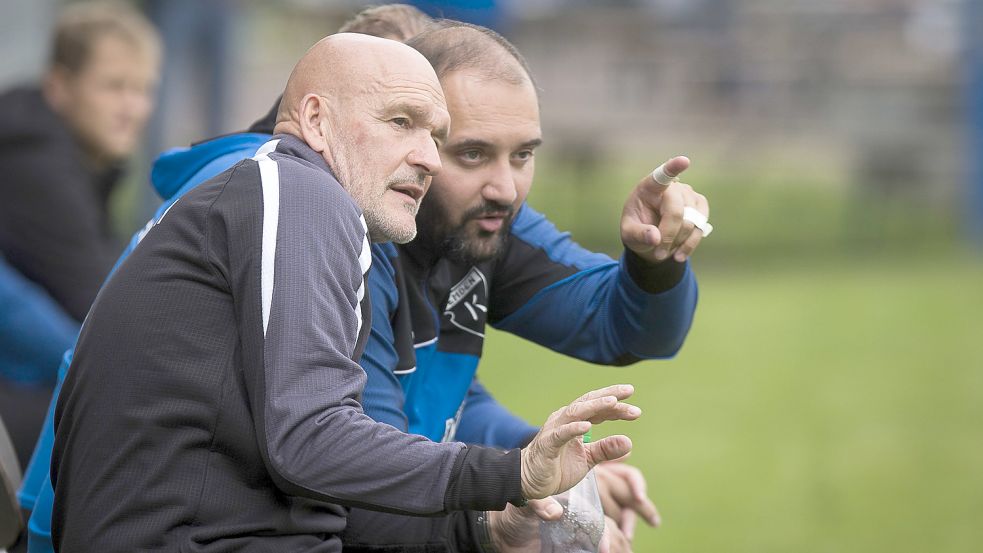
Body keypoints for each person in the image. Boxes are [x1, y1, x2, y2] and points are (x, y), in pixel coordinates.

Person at [50, 33, 639, 553]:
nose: (428, 157)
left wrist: (483, 531)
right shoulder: (299, 190)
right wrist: (514, 473)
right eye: (401, 122)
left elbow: (318, 490)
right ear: (315, 121)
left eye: (437, 135)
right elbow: (309, 441)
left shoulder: (300, 208)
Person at [0, 0, 160, 474]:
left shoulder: (63, 150)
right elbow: (98, 303)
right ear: (59, 87)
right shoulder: (34, 164)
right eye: (114, 87)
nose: (133, 108)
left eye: (143, 89)